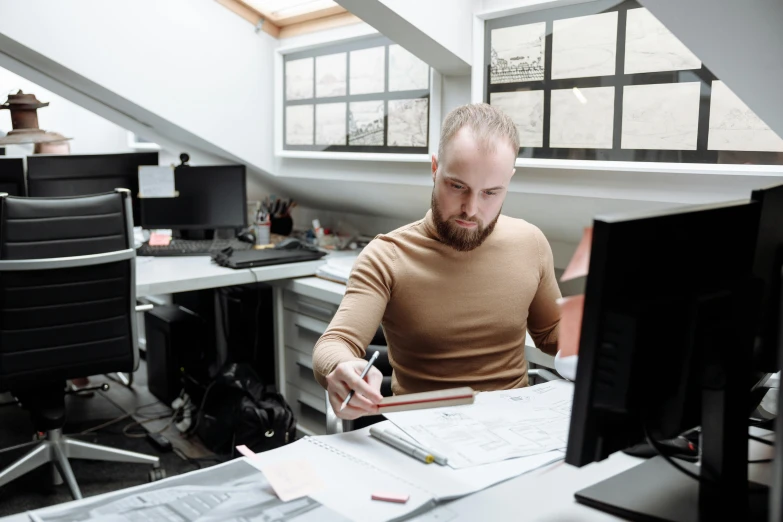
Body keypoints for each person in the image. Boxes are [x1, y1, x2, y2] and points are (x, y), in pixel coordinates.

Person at [313, 103, 562, 420]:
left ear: (509, 180)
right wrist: (342, 367)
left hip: (515, 429)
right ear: (435, 168)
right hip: (423, 433)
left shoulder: (530, 242)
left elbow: (552, 332)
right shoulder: (387, 255)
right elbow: (335, 342)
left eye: (490, 192)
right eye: (457, 186)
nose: (471, 208)